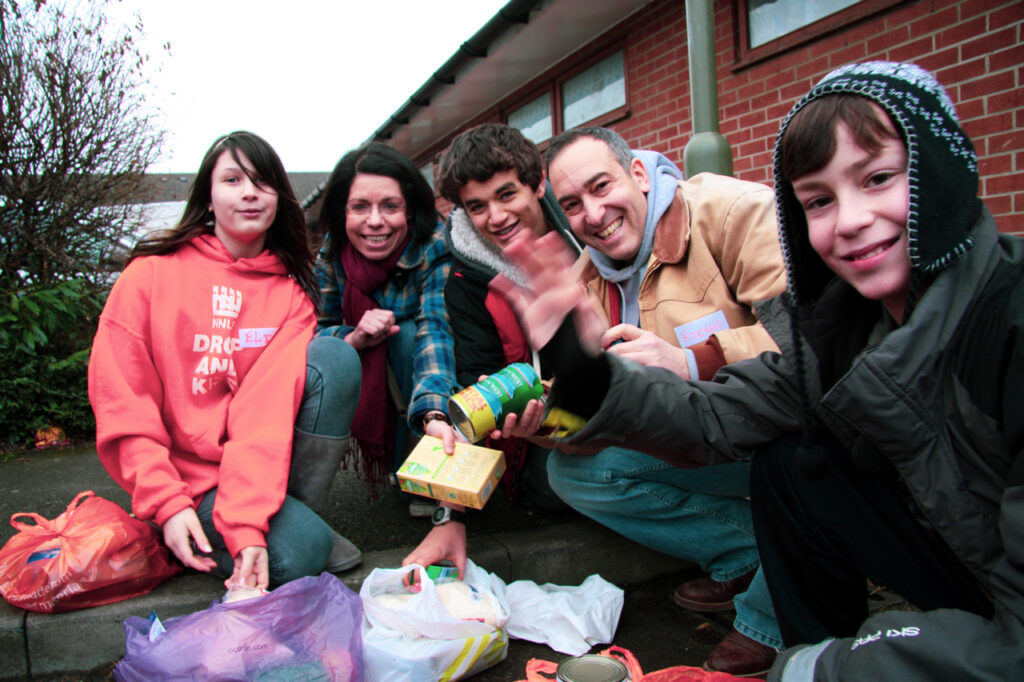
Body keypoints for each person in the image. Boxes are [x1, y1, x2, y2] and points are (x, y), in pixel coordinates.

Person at [494, 62, 1023, 681]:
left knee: (793, 450)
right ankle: (772, 590)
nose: (850, 219)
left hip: (1001, 610)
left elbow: (771, 334)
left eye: (878, 179)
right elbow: (719, 414)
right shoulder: (848, 329)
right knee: (783, 470)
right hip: (950, 544)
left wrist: (833, 667)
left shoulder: (730, 210)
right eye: (820, 200)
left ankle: (786, 637)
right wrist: (582, 378)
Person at [540, 126, 788, 674]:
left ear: (638, 175)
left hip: (772, 429)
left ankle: (769, 619)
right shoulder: (584, 280)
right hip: (695, 435)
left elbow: (811, 343)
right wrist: (547, 421)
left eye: (602, 186)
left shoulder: (734, 211)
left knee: (799, 459)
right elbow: (601, 406)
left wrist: (689, 362)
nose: (594, 213)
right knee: (573, 472)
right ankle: (746, 551)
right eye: (573, 205)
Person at [89, 131, 360, 591]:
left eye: (263, 182)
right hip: (182, 481)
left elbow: (264, 414)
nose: (250, 192)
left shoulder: (290, 294)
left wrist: (247, 523)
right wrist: (166, 502)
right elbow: (123, 402)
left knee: (334, 357)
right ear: (209, 198)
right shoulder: (149, 275)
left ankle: (287, 518)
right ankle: (181, 529)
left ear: (278, 199)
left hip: (249, 470)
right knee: (302, 556)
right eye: (233, 180)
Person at [399, 123, 582, 578]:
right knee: (554, 485)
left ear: (538, 181)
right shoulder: (467, 279)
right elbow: (474, 382)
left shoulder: (587, 228)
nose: (496, 216)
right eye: (477, 206)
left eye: (506, 194)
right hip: (546, 420)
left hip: (626, 389)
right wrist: (451, 513)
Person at [314, 142, 460, 513]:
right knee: (332, 353)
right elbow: (313, 333)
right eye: (360, 207)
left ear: (409, 211)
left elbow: (436, 332)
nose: (375, 221)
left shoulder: (433, 247)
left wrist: (435, 414)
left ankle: (428, 463)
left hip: (418, 373)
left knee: (407, 333)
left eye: (390, 206)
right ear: (342, 212)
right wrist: (354, 337)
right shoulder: (333, 254)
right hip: (361, 366)